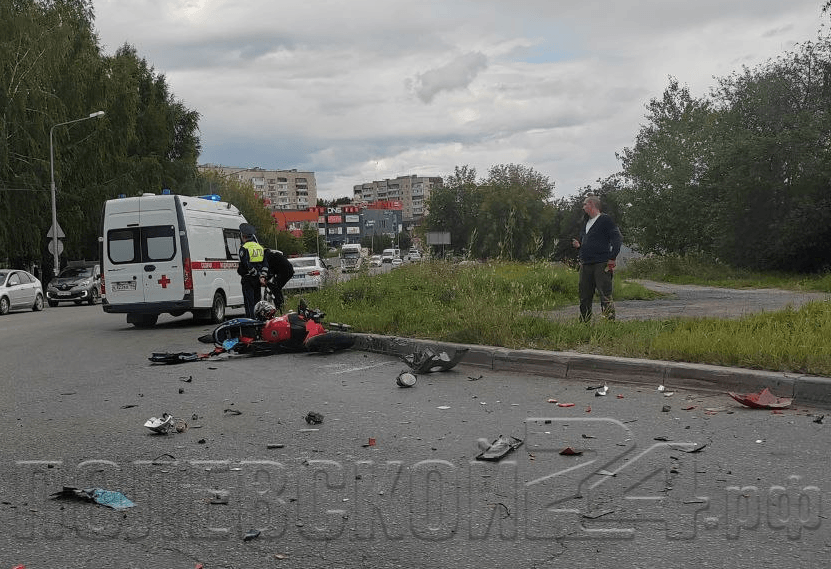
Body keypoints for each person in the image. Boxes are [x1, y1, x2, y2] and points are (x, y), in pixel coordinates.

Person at [572, 195, 622, 322]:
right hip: (586, 263)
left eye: (585, 205)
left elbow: (617, 238)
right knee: (584, 295)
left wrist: (612, 257)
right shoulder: (586, 223)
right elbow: (589, 243)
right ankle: (584, 322)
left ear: (591, 204)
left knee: (605, 294)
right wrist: (579, 246)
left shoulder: (605, 220)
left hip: (601, 263)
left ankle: (609, 322)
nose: (583, 207)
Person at [237, 224, 265, 318]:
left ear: (243, 236)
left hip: (248, 278)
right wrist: (260, 275)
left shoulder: (244, 248)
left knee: (249, 302)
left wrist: (254, 273)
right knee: (257, 301)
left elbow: (246, 264)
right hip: (258, 279)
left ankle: (251, 320)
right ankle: (258, 319)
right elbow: (264, 263)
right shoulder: (260, 247)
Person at [262, 248, 294, 313]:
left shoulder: (268, 257)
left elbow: (270, 270)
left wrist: (266, 278)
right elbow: (273, 270)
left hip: (285, 271)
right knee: (276, 287)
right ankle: (280, 304)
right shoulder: (273, 255)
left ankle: (279, 306)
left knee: (275, 288)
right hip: (288, 270)